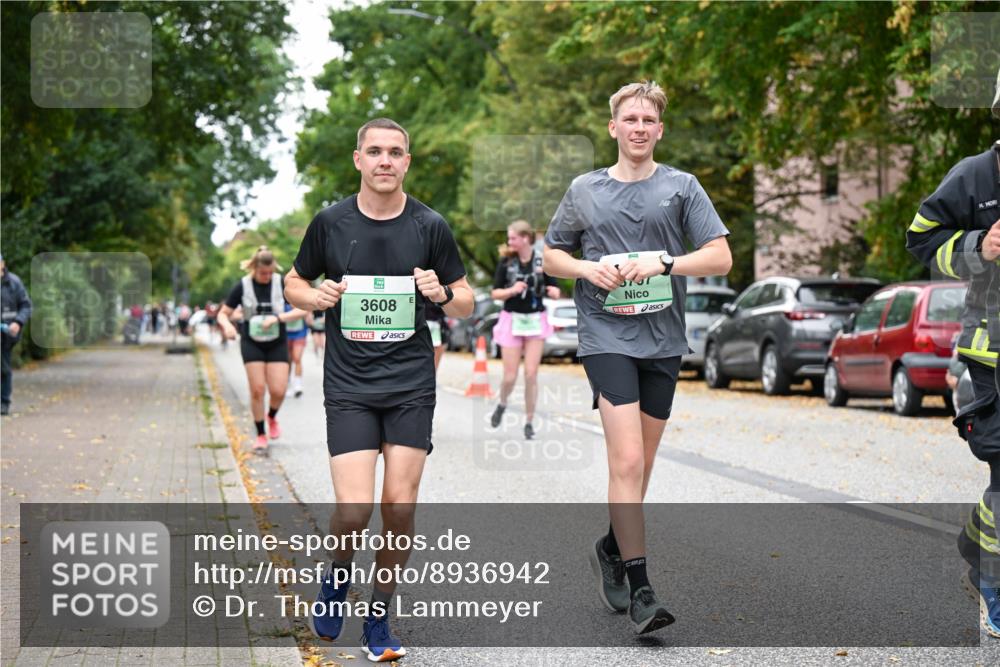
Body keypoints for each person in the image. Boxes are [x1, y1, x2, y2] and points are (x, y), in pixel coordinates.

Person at [544, 81, 732, 634]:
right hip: (605, 336)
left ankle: (609, 546)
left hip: (663, 341)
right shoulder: (585, 189)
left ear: (659, 129)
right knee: (626, 462)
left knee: (641, 468)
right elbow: (552, 254)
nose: (640, 128)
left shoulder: (682, 187)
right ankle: (642, 588)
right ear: (613, 127)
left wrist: (666, 265)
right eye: (630, 119)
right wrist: (584, 269)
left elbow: (720, 257)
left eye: (649, 120)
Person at [284, 118, 473, 662]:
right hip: (349, 385)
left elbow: (466, 300)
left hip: (411, 382)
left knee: (398, 505)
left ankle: (379, 615)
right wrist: (313, 296)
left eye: (395, 152)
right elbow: (294, 282)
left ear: (407, 161)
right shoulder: (330, 222)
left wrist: (443, 292)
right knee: (353, 508)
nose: (385, 160)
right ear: (358, 159)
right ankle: (337, 575)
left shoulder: (429, 225)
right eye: (375, 151)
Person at [905, 71, 1000, 637]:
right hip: (991, 362)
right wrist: (975, 247)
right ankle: (991, 584)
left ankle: (975, 542)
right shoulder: (975, 176)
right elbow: (920, 238)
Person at [217, 246, 307, 454]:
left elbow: (303, 308)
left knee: (278, 390)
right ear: (254, 269)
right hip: (252, 342)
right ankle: (260, 434)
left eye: (270, 272)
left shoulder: (281, 283)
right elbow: (223, 313)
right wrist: (228, 326)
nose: (267, 277)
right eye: (262, 273)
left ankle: (272, 417)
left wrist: (278, 318)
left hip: (277, 341)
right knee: (257, 389)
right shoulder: (242, 286)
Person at [489, 220, 561, 439]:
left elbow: (555, 288)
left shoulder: (542, 261)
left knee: (531, 374)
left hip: (535, 320)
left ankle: (529, 421)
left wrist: (552, 290)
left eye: (512, 238)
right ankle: (502, 402)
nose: (509, 242)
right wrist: (511, 290)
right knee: (510, 376)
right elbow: (495, 293)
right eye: (509, 238)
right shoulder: (506, 262)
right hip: (512, 319)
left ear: (525, 238)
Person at [1, 254, 33, 417]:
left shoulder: (14, 282)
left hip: (6, 335)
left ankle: (4, 402)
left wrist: (18, 322)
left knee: (4, 368)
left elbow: (26, 306)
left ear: (2, 264)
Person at [284, 301, 308, 397]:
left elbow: (308, 317)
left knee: (297, 358)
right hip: (286, 335)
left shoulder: (301, 303)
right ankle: (287, 384)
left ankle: (298, 385)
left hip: (300, 334)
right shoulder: (283, 304)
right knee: (288, 360)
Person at [424, 301, 447, 371]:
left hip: (436, 322)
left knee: (438, 346)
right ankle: (432, 372)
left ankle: (433, 372)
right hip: (426, 320)